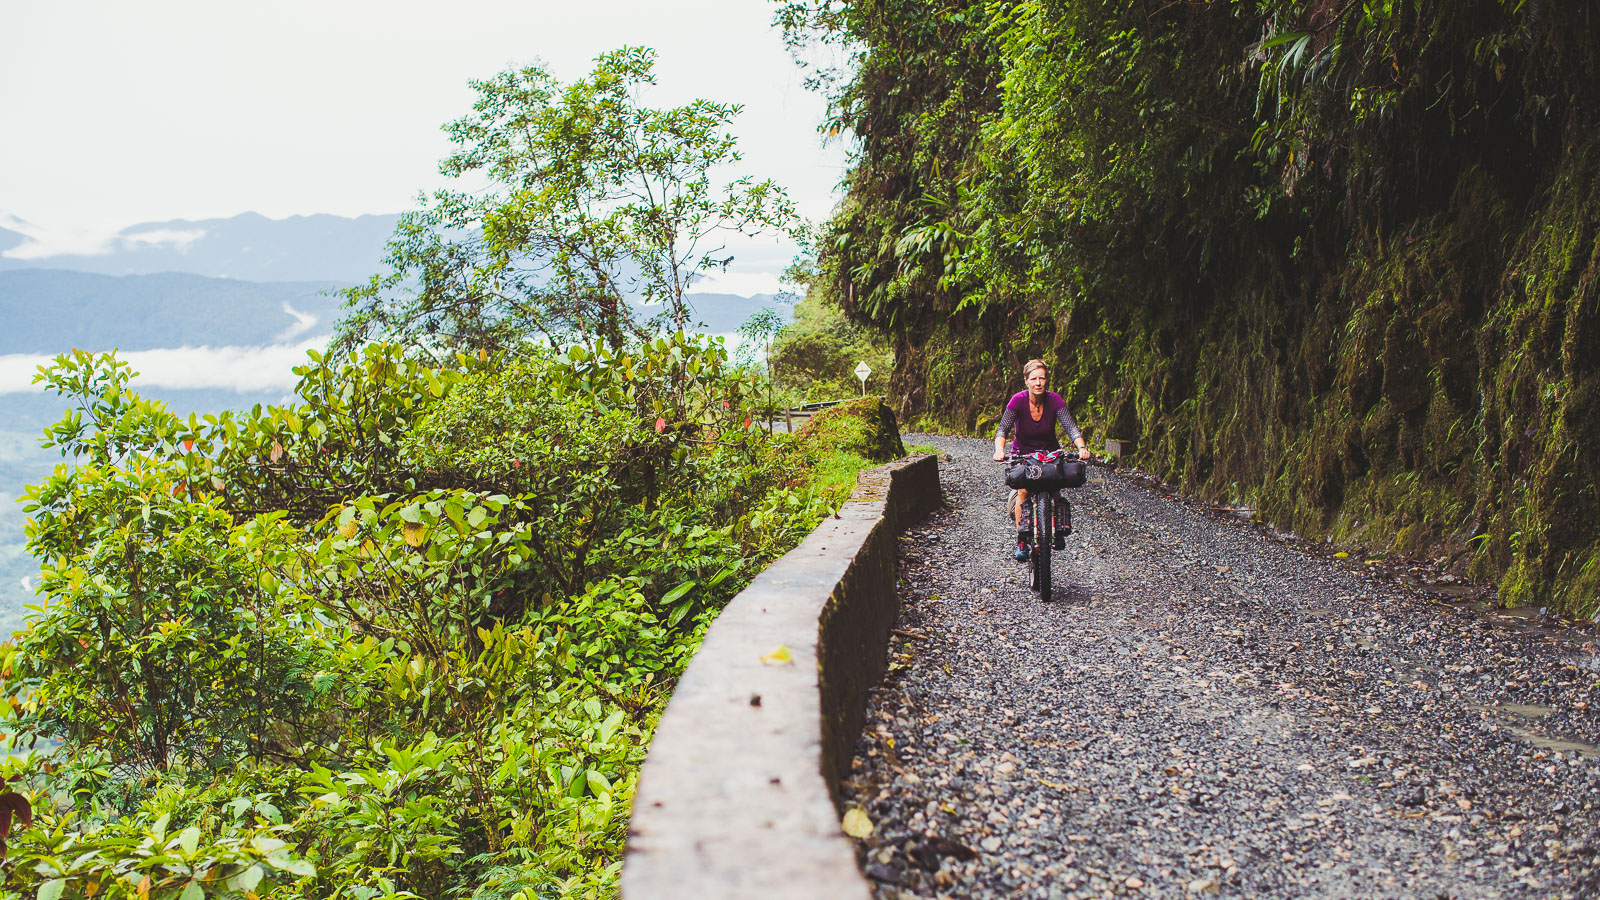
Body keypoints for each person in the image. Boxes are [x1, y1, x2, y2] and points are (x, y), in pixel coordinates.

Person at [992, 358, 1091, 560]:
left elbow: (1070, 427)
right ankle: (1021, 540)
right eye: (1034, 378)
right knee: (1023, 491)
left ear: (1046, 381)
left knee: (1055, 489)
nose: (1038, 383)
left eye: (1042, 378)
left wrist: (1081, 446)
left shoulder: (1055, 400)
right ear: (1026, 381)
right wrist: (999, 450)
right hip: (1024, 454)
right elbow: (1003, 429)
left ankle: (1058, 528)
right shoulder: (1017, 401)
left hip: (1049, 454)